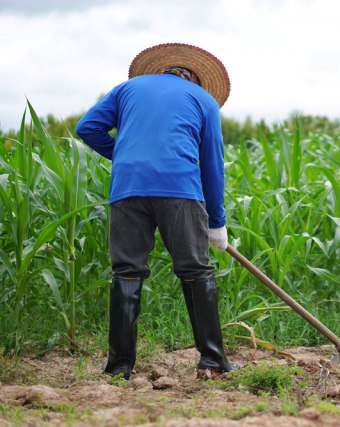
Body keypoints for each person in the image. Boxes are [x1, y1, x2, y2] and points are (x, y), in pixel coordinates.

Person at [76, 43, 239, 380]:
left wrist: (124, 155)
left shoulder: (126, 89)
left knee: (127, 272)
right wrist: (217, 223)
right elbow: (212, 165)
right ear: (196, 78)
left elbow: (87, 128)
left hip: (128, 188)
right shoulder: (204, 101)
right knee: (195, 270)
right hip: (179, 189)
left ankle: (119, 367)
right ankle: (212, 360)